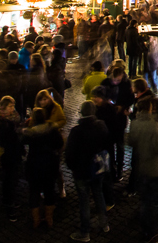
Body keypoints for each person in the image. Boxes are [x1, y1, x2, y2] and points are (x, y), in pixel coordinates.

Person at [66, 101, 109, 242]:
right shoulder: (101, 126)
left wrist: (72, 167)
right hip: (98, 168)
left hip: (81, 171)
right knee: (98, 194)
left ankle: (85, 232)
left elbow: (70, 153)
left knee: (84, 201)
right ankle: (104, 224)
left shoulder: (76, 131)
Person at [128, 97, 158, 243]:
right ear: (150, 109)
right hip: (155, 168)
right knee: (155, 201)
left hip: (141, 167)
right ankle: (153, 231)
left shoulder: (135, 123)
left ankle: (145, 227)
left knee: (144, 200)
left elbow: (131, 141)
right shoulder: (155, 125)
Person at [23, 107, 63, 228]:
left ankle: (36, 220)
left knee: (34, 191)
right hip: (50, 163)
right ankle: (49, 218)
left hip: (34, 164)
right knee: (49, 190)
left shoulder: (30, 133)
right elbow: (60, 144)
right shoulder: (52, 130)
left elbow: (21, 142)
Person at [0, 96, 23, 222]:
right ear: (3, 108)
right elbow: (10, 139)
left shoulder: (7, 120)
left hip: (10, 153)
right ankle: (10, 206)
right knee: (11, 180)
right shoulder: (3, 122)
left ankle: (7, 201)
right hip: (9, 154)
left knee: (8, 179)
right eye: (10, 106)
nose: (13, 109)